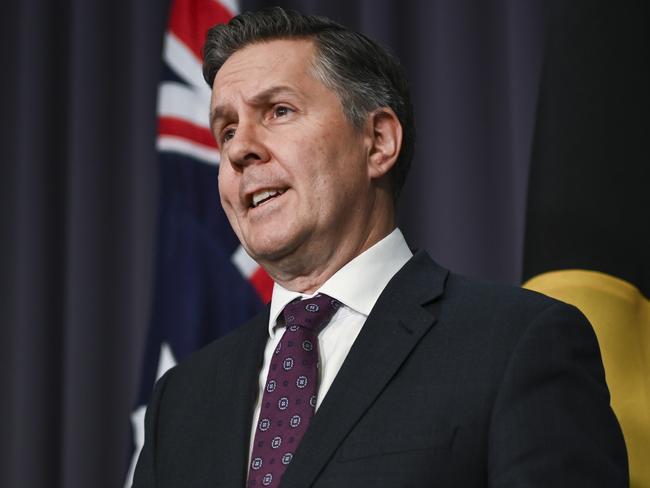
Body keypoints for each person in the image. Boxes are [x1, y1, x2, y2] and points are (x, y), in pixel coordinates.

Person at [133, 7, 627, 488]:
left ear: (377, 142)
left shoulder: (518, 344)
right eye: (226, 131)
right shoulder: (180, 400)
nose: (240, 148)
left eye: (278, 111)